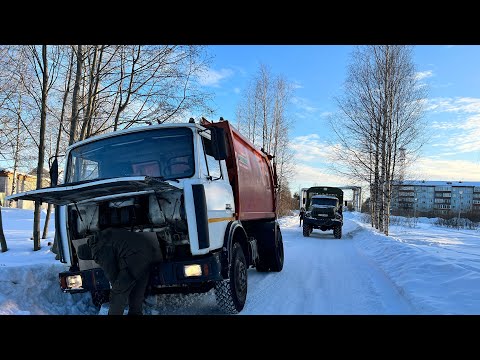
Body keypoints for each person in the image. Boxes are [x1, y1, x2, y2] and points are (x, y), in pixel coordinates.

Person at [77, 227, 162, 315]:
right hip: (148, 250)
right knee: (137, 290)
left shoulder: (98, 251)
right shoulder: (101, 236)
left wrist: (117, 285)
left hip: (136, 256)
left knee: (117, 293)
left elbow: (111, 272)